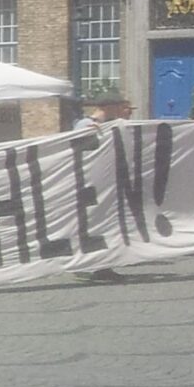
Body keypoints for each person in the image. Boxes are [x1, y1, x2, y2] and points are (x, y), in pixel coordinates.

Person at [70, 98, 135, 282]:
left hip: (103, 183)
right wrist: (87, 134)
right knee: (91, 224)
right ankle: (87, 264)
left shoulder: (108, 125)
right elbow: (77, 148)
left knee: (105, 224)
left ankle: (103, 266)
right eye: (118, 106)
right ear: (108, 107)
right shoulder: (85, 124)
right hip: (88, 184)